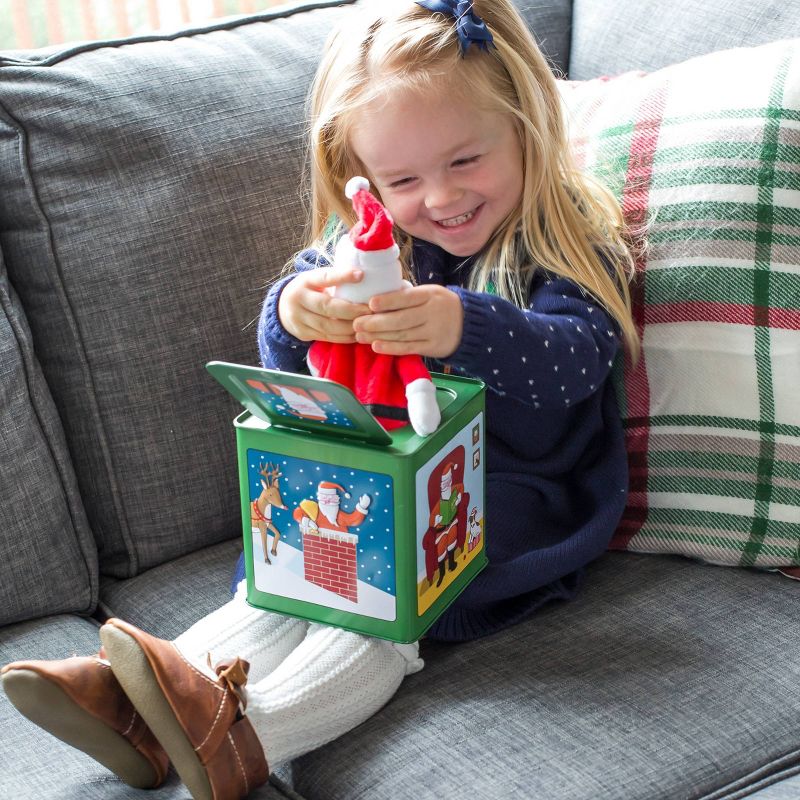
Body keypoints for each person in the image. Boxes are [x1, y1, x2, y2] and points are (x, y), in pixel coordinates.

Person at [1, 2, 640, 798]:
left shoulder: (565, 242)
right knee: (291, 577)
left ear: (528, 129)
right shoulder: (366, 250)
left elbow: (573, 365)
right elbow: (295, 382)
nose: (440, 197)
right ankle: (132, 700)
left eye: (467, 160)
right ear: (361, 177)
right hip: (370, 485)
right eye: (404, 180)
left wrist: (459, 326)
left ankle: (251, 734)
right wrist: (294, 314)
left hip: (497, 504)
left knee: (373, 600)